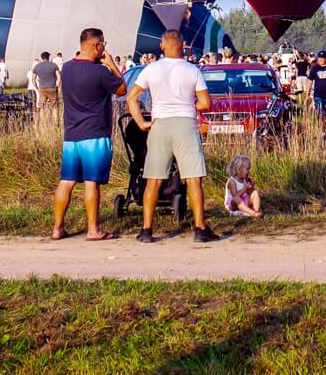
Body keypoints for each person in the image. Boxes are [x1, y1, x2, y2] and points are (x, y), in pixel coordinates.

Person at [131, 30, 220, 244]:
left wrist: (141, 122)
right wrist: (189, 105)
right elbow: (206, 103)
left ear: (162, 46)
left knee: (153, 179)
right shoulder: (193, 70)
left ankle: (146, 230)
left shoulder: (151, 69)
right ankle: (199, 228)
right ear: (183, 45)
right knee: (193, 179)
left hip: (160, 124)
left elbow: (131, 97)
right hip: (186, 124)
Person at [49, 28, 126, 242]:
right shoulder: (100, 72)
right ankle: (93, 229)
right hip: (95, 133)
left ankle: (57, 228)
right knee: (92, 182)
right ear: (97, 45)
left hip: (72, 135)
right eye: (103, 44)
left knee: (67, 181)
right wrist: (112, 65)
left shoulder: (66, 69)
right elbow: (122, 89)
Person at [224, 153, 262, 218]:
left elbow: (248, 192)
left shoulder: (244, 179)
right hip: (234, 205)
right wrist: (245, 188)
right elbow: (235, 195)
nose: (249, 171)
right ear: (239, 170)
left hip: (244, 201)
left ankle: (256, 211)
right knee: (236, 198)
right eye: (247, 169)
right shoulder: (232, 181)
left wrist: (251, 186)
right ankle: (253, 213)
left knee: (255, 192)